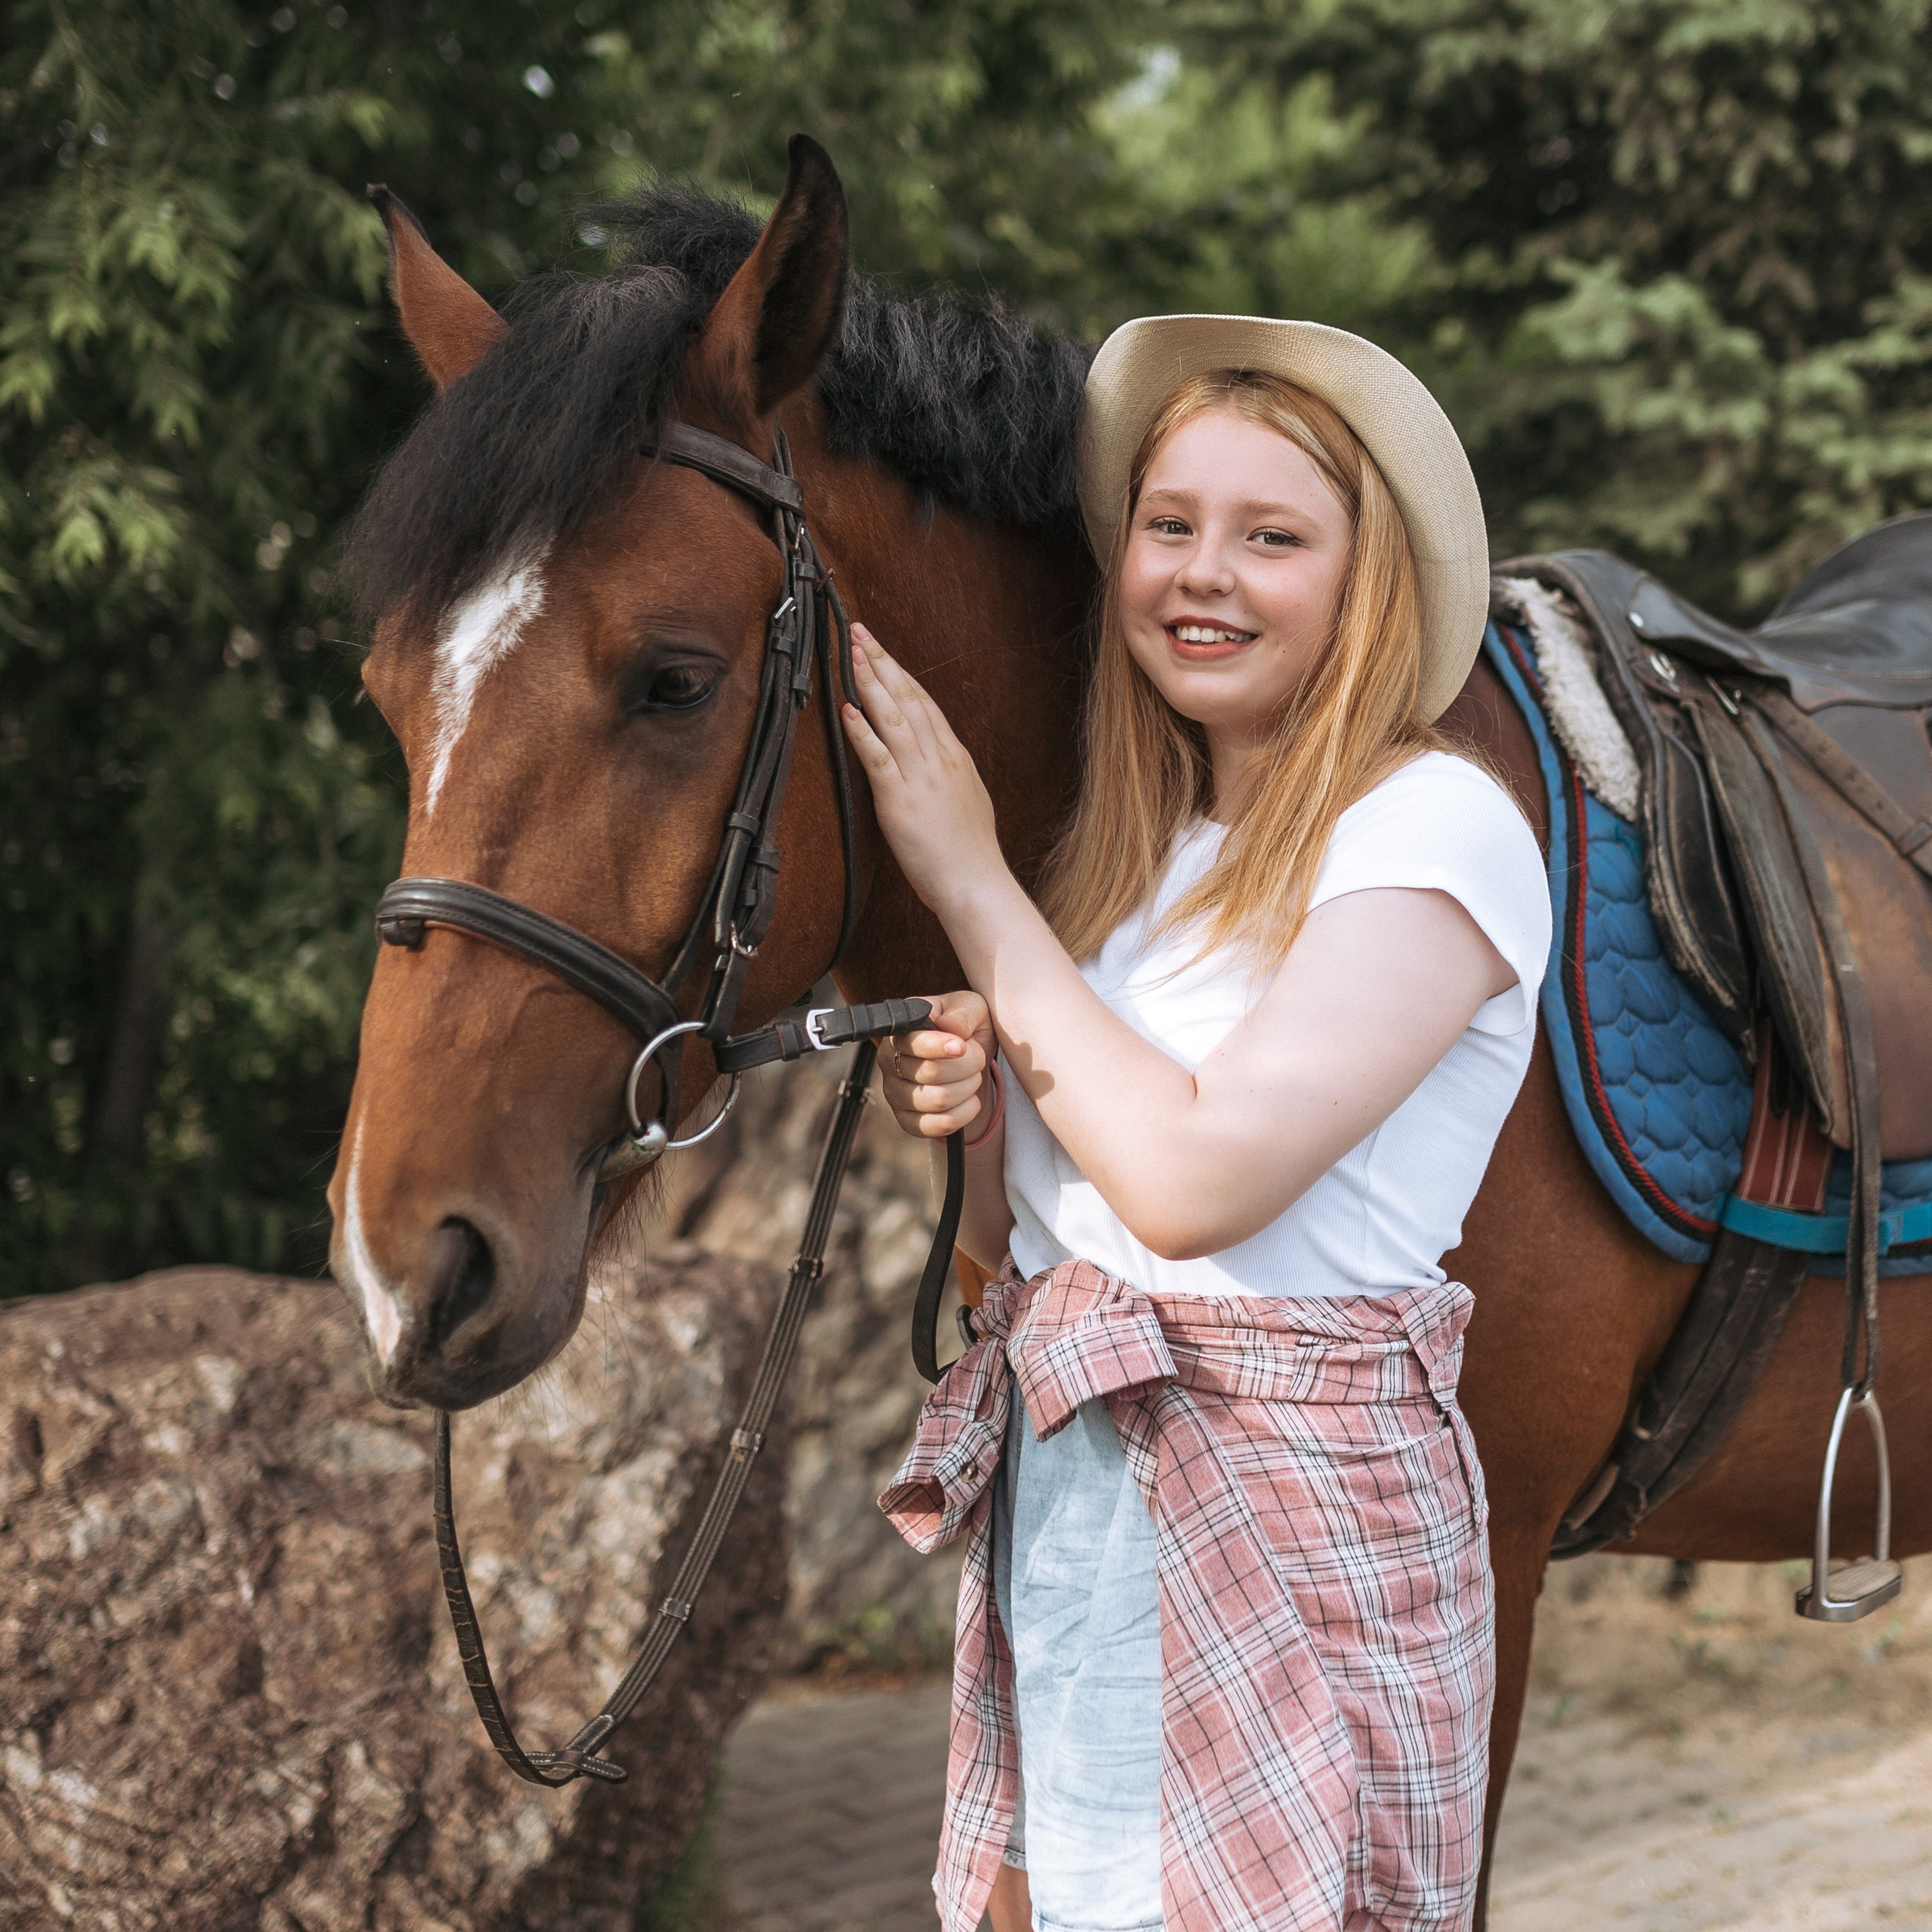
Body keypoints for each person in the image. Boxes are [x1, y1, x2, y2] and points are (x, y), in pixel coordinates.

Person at [842, 316, 1550, 1932]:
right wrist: (970, 1102)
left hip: (1294, 1511)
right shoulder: (1133, 855)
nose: (1200, 573)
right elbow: (1026, 1248)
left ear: (1366, 582)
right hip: (1086, 1481)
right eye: (1168, 526)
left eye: (1270, 535)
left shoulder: (1430, 825)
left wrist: (967, 884)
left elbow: (1185, 1182)